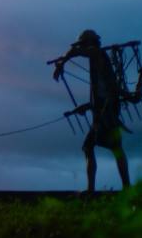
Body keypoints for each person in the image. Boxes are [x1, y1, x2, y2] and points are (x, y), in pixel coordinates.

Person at [51, 29, 131, 192]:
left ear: (89, 44)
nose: (81, 48)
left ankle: (95, 190)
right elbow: (99, 94)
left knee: (99, 147)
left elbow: (76, 51)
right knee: (98, 147)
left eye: (83, 44)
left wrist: (63, 62)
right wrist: (83, 108)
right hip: (103, 109)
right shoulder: (96, 63)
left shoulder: (97, 54)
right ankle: (116, 187)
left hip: (107, 111)